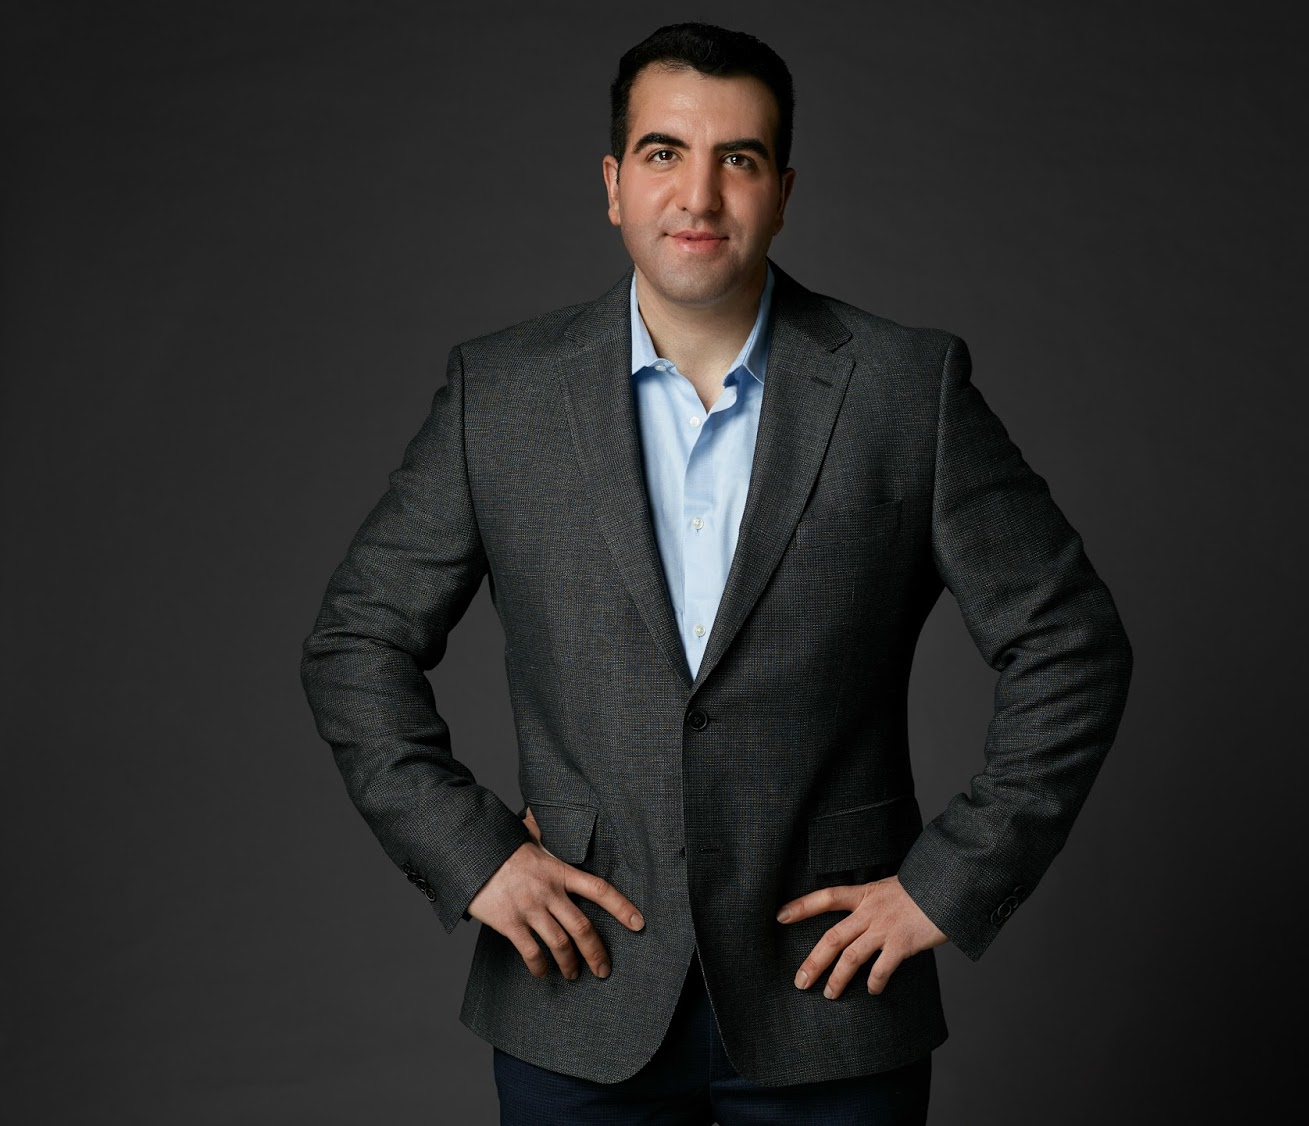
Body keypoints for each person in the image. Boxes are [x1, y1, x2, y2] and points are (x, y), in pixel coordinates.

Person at [300, 21, 1133, 1125]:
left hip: (833, 1001)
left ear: (782, 191)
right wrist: (472, 856)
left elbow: (1070, 644)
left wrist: (948, 884)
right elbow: (357, 644)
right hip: (576, 998)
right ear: (613, 184)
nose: (698, 195)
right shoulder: (500, 395)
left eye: (737, 159)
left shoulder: (903, 389)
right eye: (664, 153)